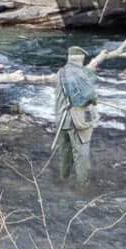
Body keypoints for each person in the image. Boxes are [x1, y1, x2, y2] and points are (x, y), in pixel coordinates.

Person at [52, 46, 99, 185]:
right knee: (81, 154)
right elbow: (87, 96)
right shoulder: (79, 73)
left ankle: (63, 181)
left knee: (65, 152)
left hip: (61, 119)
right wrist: (94, 99)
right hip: (76, 120)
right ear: (81, 58)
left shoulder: (60, 72)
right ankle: (82, 187)